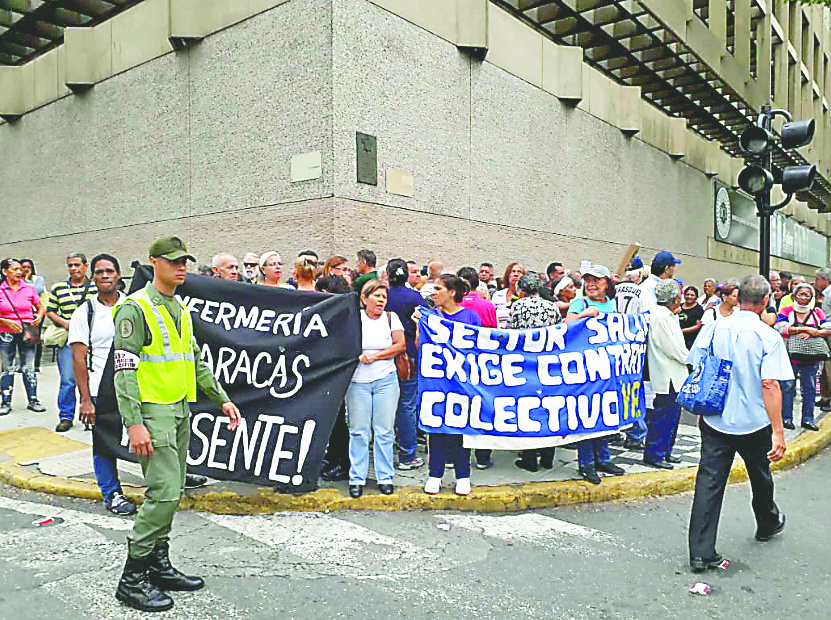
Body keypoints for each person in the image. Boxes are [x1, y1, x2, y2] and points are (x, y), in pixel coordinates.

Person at [113, 236, 241, 612]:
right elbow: (123, 371)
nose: (180, 267)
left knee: (171, 494)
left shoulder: (179, 308)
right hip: (153, 414)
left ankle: (158, 564)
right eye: (172, 262)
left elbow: (196, 361)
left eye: (184, 261)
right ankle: (132, 579)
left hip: (180, 411)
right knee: (164, 495)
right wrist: (134, 423)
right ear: (154, 263)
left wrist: (222, 398)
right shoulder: (135, 309)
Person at [687, 275, 789, 573]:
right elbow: (770, 384)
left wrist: (701, 406)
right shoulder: (768, 336)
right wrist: (778, 431)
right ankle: (767, 521)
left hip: (716, 417)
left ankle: (701, 552)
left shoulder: (714, 328)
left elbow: (697, 366)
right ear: (766, 301)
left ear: (738, 297)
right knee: (760, 474)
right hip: (754, 422)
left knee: (709, 482)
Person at [68, 254, 136, 516]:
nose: (104, 276)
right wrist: (85, 399)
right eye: (99, 272)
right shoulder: (85, 312)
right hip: (100, 390)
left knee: (147, 435)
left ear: (118, 275)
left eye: (109, 271)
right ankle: (112, 493)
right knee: (104, 443)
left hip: (134, 387)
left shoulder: (134, 306)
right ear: (92, 276)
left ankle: (166, 480)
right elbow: (78, 357)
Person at [418, 274, 481, 496]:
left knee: (461, 428)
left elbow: (481, 348)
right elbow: (420, 346)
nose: (433, 293)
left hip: (463, 382)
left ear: (452, 292)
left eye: (438, 288)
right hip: (436, 382)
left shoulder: (471, 316)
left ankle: (463, 475)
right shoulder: (431, 317)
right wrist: (420, 326)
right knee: (436, 428)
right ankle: (435, 474)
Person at [564, 264, 625, 484]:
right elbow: (565, 327)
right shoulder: (580, 302)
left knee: (604, 415)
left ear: (606, 283)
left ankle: (603, 458)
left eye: (596, 280)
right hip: (584, 371)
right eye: (587, 280)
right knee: (586, 417)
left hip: (607, 371)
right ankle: (587, 463)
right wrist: (583, 315)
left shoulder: (612, 304)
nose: (591, 284)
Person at [346, 280, 405, 498]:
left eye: (384, 297)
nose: (381, 301)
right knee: (359, 431)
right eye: (377, 296)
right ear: (364, 299)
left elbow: (400, 345)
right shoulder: (355, 319)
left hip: (385, 379)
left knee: (384, 430)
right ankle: (357, 478)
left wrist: (375, 356)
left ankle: (385, 477)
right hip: (358, 381)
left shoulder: (391, 318)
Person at [508, 273, 561, 472]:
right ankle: (548, 456)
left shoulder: (518, 307)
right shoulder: (551, 306)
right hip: (548, 363)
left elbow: (511, 333)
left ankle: (529, 458)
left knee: (528, 407)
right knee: (548, 408)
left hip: (525, 364)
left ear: (522, 290)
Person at [46, 252, 95, 432]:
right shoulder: (59, 288)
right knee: (68, 379)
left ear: (85, 266)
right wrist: (64, 322)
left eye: (77, 265)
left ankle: (92, 415)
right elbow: (50, 310)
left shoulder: (95, 286)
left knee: (93, 378)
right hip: (69, 339)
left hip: (93, 339)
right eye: (70, 265)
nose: (73, 269)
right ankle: (66, 416)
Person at [386, 259, 427, 471]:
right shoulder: (415, 297)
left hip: (383, 356)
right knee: (407, 406)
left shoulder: (382, 296)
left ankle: (384, 449)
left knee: (386, 405)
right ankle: (407, 455)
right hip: (408, 356)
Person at [643, 279, 688, 469]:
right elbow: (673, 348)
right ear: (675, 298)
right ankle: (655, 453)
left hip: (675, 374)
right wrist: (692, 358)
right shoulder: (661, 317)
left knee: (672, 416)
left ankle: (666, 450)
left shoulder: (668, 315)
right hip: (667, 373)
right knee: (663, 416)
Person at [775, 282, 830, 432]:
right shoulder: (787, 310)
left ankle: (808, 419)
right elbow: (780, 327)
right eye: (800, 294)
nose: (803, 298)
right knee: (787, 387)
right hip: (790, 355)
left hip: (811, 357)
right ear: (794, 296)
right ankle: (786, 418)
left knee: (810, 388)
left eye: (807, 295)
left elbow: (827, 327)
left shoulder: (817, 312)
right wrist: (803, 329)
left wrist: (814, 332)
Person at [457, 266, 497, 469]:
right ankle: (482, 456)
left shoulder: (453, 306)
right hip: (482, 363)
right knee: (482, 408)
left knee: (457, 407)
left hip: (457, 364)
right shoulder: (487, 306)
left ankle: (452, 455)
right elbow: (493, 335)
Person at [315, 275, 352, 481]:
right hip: (329, 370)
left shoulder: (343, 315)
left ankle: (342, 462)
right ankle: (332, 456)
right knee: (332, 419)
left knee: (338, 420)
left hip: (337, 371)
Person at [0, 258, 46, 415]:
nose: (19, 272)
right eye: (14, 269)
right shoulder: (1, 289)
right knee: (7, 368)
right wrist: (4, 320)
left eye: (20, 269)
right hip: (6, 333)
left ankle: (33, 400)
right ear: (4, 272)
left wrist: (39, 317)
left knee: (29, 367)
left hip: (27, 331)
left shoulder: (29, 288)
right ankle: (5, 402)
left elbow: (40, 307)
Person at [20, 258, 46, 373]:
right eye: (23, 267)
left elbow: (38, 289)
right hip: (22, 313)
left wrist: (25, 281)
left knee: (35, 338)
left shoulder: (38, 279)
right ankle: (23, 364)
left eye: (28, 267)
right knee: (22, 339)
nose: (26, 269)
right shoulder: (16, 281)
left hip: (36, 312)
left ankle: (35, 364)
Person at [813, 268, 831, 411]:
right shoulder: (824, 294)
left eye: (817, 278)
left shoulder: (829, 294)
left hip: (828, 331)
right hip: (824, 331)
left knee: (828, 365)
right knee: (825, 365)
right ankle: (826, 396)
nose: (815, 282)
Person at [492, 262, 525, 328]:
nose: (516, 274)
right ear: (508, 275)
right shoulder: (497, 295)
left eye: (519, 272)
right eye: (513, 271)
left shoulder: (525, 296)